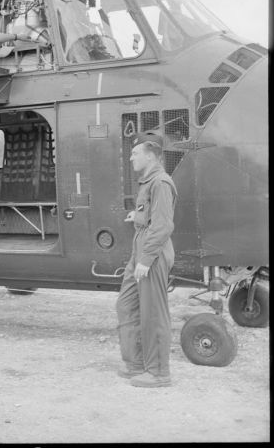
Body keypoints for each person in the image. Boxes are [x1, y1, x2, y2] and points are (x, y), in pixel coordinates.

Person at [116, 132, 177, 388]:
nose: (131, 157)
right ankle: (136, 363)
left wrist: (147, 258)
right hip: (140, 250)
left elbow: (163, 226)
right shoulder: (148, 182)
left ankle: (159, 373)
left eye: (135, 153)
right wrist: (137, 216)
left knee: (153, 312)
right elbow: (151, 217)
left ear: (151, 154)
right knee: (126, 304)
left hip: (152, 253)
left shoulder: (161, 182)